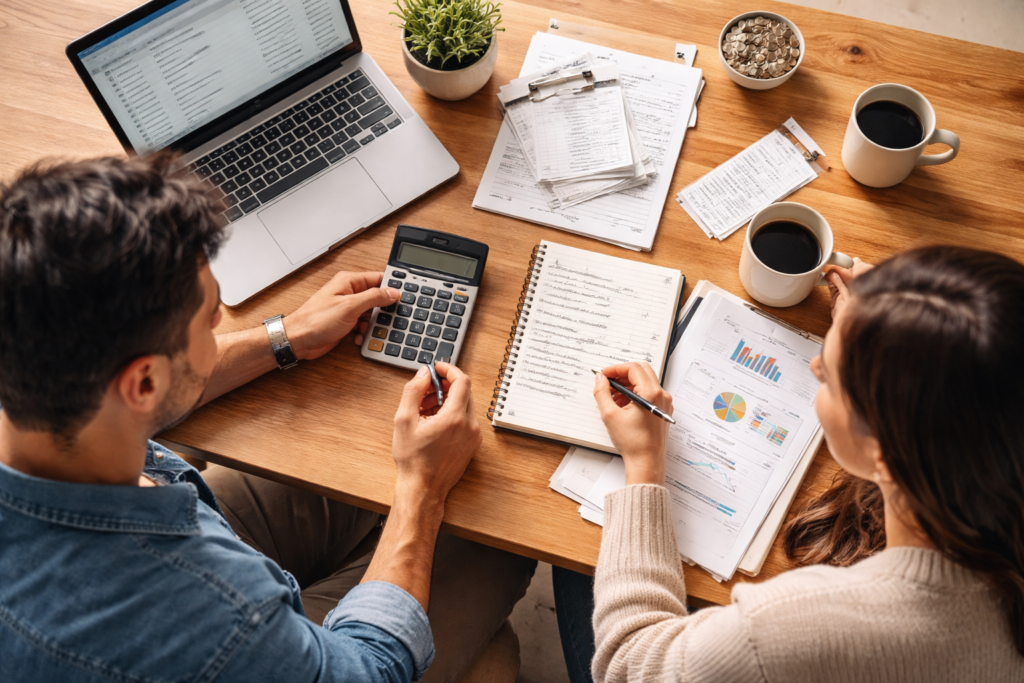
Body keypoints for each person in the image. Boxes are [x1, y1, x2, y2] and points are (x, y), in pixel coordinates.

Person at [0, 155, 535, 683]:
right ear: (143, 383)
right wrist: (422, 491)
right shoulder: (214, 615)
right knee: (492, 536)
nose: (220, 328)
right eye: (211, 321)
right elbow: (368, 670)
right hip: (225, 634)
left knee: (364, 476)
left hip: (140, 512)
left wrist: (286, 337)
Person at [555, 246, 1024, 682]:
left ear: (886, 454)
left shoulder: (798, 622)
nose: (815, 367)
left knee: (572, 557)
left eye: (830, 377)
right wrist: (891, 317)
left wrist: (643, 462)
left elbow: (629, 661)